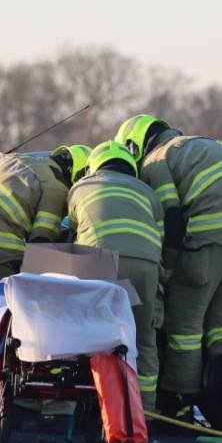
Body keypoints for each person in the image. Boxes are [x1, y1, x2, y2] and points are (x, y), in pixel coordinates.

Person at [117, 114, 222, 433]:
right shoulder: (208, 146)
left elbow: (171, 216)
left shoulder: (156, 159)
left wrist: (170, 270)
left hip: (212, 235)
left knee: (184, 326)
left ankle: (179, 407)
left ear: (135, 145)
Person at [66, 141, 164, 412]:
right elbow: (163, 239)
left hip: (99, 262)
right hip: (146, 264)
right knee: (143, 339)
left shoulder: (81, 188)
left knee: (95, 335)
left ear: (94, 166)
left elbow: (70, 233)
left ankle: (99, 411)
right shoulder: (148, 192)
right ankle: (145, 414)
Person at [0, 146, 86, 311]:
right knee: (14, 315)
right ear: (75, 174)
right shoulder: (56, 188)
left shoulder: (9, 159)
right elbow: (41, 242)